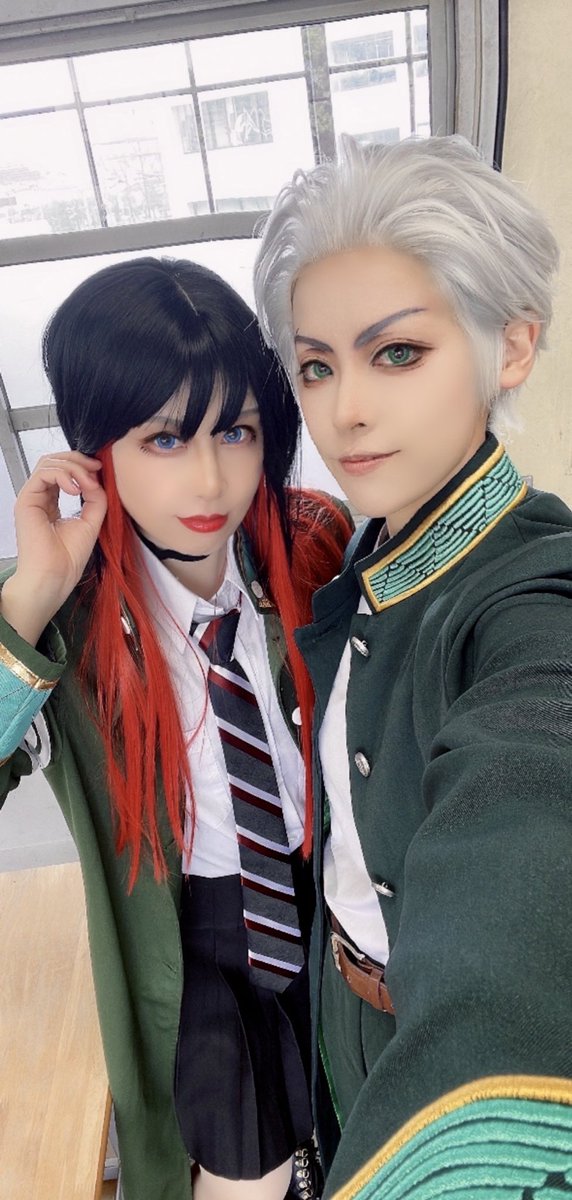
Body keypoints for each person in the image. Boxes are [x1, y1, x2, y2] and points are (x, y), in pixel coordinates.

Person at [253, 136, 572, 1199]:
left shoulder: (532, 599)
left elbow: (528, 793)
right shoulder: (366, 544)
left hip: (425, 1052)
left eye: (396, 353)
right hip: (334, 1004)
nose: (343, 410)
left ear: (510, 347)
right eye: (316, 365)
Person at [0, 256, 353, 1200]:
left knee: (353, 1125)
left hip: (330, 905)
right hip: (195, 941)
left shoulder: (311, 547)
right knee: (247, 1172)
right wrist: (32, 594)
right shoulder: (65, 618)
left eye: (235, 430)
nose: (209, 477)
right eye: (163, 438)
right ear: (94, 448)